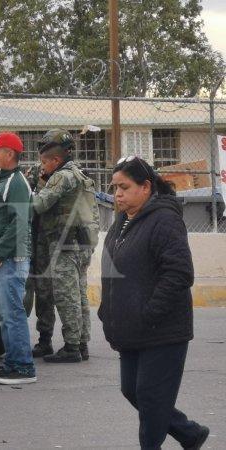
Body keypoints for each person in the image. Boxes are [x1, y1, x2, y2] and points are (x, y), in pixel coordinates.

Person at [100, 156, 209, 450]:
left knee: (150, 396)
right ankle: (189, 433)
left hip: (162, 330)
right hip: (132, 329)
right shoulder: (123, 219)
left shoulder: (165, 219)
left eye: (124, 187)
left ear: (146, 187)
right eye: (114, 188)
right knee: (132, 390)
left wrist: (150, 312)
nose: (117, 194)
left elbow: (180, 273)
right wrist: (107, 311)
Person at [31, 129, 99, 363]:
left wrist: (38, 185)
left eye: (44, 162)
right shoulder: (82, 175)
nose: (42, 167)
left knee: (66, 295)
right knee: (79, 295)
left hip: (64, 244)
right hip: (81, 244)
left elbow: (39, 205)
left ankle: (71, 348)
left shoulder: (61, 177)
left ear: (56, 160)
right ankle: (81, 344)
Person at [0, 132, 36, 385]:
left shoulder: (16, 183)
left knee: (13, 313)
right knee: (6, 314)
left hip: (10, 259)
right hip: (1, 259)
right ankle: (12, 362)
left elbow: (19, 223)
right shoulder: (6, 181)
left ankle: (23, 367)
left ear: (10, 154)